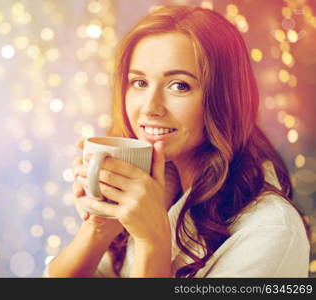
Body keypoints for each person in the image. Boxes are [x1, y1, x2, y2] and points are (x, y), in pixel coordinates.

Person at [44, 5, 310, 277]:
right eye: (139, 82)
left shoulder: (270, 230)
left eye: (179, 85)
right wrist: (99, 229)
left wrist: (153, 241)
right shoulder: (154, 190)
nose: (150, 108)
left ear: (224, 99)